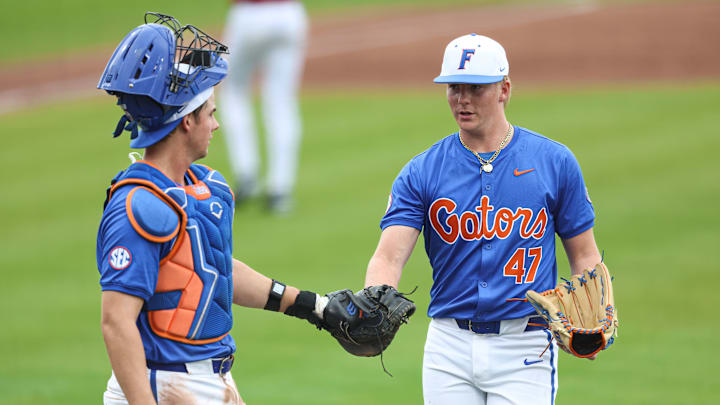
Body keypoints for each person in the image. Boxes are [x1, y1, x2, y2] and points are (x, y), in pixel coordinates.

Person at [96, 13, 333, 405]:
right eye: (211, 113)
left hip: (212, 378)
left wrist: (311, 305)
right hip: (164, 384)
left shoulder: (202, 187)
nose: (216, 125)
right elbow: (116, 321)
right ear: (187, 121)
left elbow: (211, 270)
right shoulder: (139, 206)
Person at [363, 33, 604, 404]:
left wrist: (593, 308)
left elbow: (584, 253)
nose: (462, 99)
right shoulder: (422, 171)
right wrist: (376, 297)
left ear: (504, 89)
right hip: (448, 346)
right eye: (454, 87)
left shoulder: (554, 162)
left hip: (525, 344)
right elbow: (389, 256)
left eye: (475, 88)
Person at [220, 0, 308, 213]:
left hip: (248, 14)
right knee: (281, 100)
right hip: (289, 13)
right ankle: (280, 188)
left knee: (233, 91)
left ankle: (246, 173)